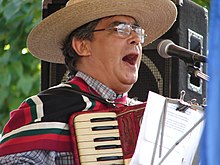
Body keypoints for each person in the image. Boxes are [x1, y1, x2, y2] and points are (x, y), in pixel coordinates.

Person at [0, 0, 177, 164]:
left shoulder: (151, 119)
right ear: (83, 46)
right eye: (120, 29)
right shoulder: (43, 109)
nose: (136, 39)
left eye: (137, 31)